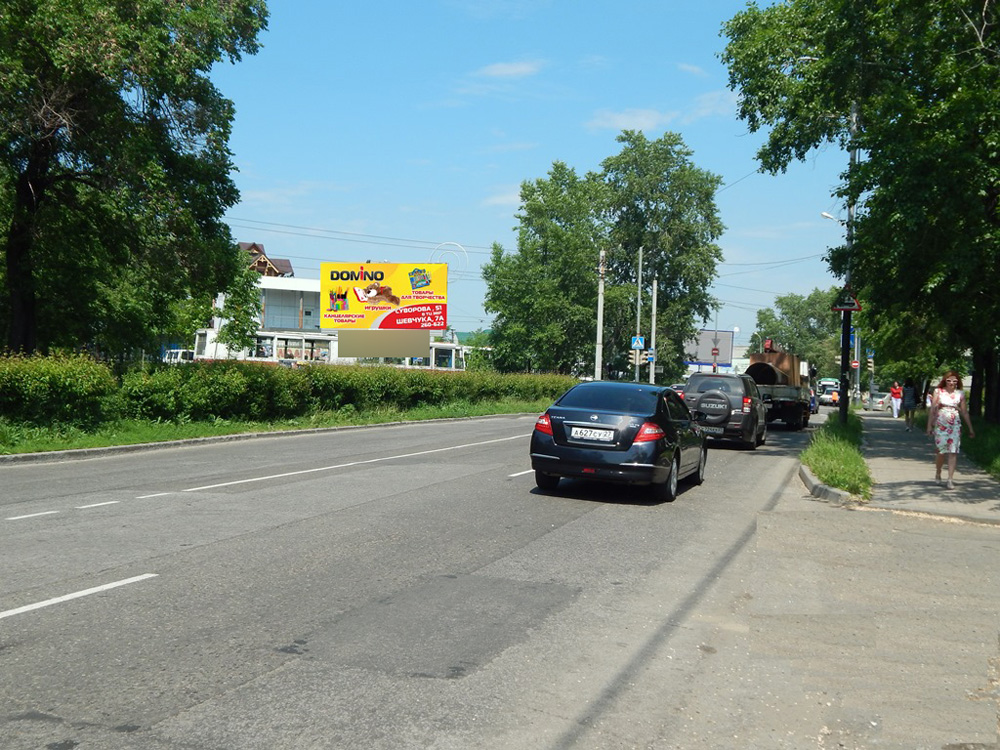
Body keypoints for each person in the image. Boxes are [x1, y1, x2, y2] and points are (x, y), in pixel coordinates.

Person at [926, 371, 975, 489]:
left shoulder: (960, 394)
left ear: (957, 382)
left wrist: (970, 428)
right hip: (941, 424)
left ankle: (950, 479)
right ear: (945, 381)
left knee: (953, 452)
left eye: (954, 381)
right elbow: (933, 410)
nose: (951, 383)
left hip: (955, 425)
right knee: (941, 452)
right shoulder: (938, 391)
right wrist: (929, 426)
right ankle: (938, 472)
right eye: (949, 380)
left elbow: (964, 412)